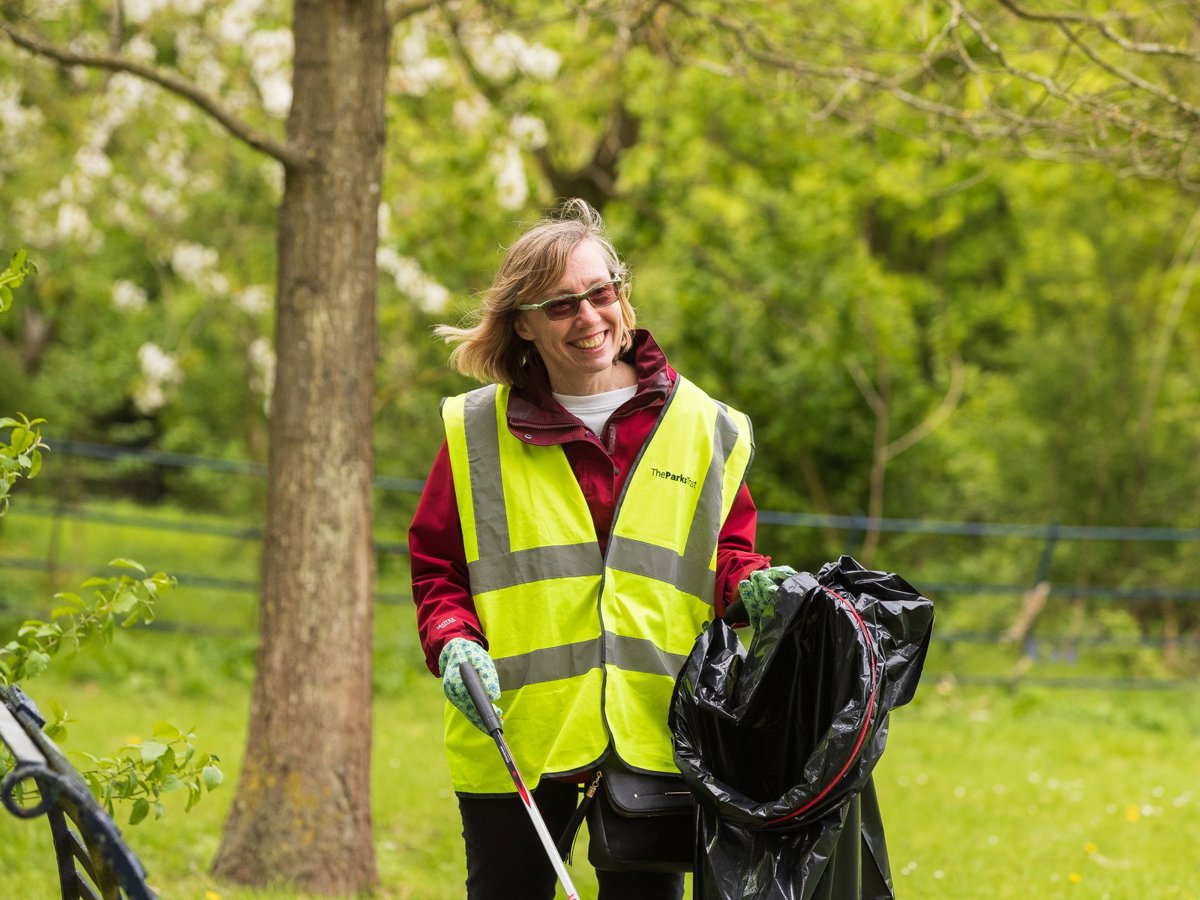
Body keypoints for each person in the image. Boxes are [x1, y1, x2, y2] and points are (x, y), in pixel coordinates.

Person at [409, 198, 795, 900]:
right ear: (522, 323)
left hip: (655, 732)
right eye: (560, 306)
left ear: (622, 292)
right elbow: (439, 570)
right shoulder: (474, 433)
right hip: (519, 737)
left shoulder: (707, 427)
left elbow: (727, 559)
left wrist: (756, 589)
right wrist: (452, 641)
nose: (588, 318)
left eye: (600, 293)